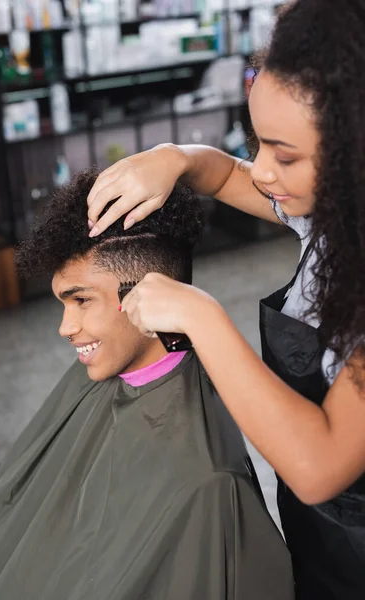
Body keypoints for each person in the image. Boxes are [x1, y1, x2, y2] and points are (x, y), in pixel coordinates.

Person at [86, 2, 365, 599]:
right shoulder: (331, 218)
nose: (262, 171)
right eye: (255, 142)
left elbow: (320, 464)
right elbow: (221, 176)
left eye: (284, 155)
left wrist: (201, 316)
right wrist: (175, 158)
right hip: (321, 537)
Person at [0, 168, 293, 600]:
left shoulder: (208, 484)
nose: (65, 328)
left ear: (147, 296)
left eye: (81, 301)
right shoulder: (101, 370)